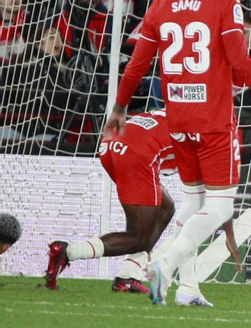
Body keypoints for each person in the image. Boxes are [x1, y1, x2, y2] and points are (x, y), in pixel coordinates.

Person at [107, 0, 251, 305]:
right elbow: (241, 63)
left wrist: (119, 108)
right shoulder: (226, 3)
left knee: (194, 203)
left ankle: (189, 289)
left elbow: (137, 65)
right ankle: (166, 262)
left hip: (177, 119)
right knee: (223, 205)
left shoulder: (160, 5)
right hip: (213, 121)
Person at [44, 109, 176, 294]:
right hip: (138, 153)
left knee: (165, 208)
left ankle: (128, 277)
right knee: (139, 237)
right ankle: (68, 251)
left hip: (113, 143)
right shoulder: (213, 133)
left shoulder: (189, 108)